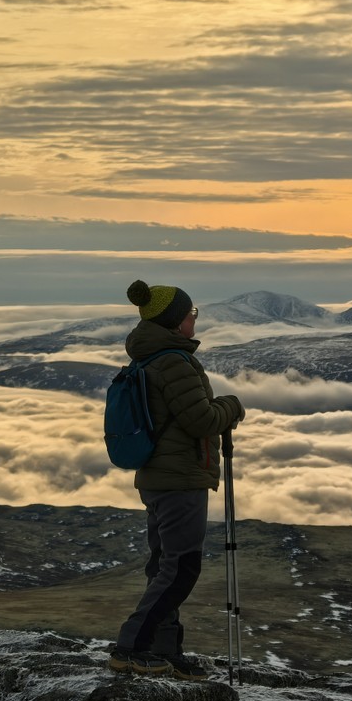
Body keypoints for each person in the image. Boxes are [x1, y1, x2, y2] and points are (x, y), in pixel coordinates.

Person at [109, 280, 245, 680]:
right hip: (179, 478)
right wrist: (232, 407)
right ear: (174, 320)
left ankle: (164, 649)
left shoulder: (150, 357)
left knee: (164, 567)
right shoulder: (172, 361)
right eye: (191, 313)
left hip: (158, 475)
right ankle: (130, 647)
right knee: (181, 567)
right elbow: (201, 420)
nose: (193, 319)